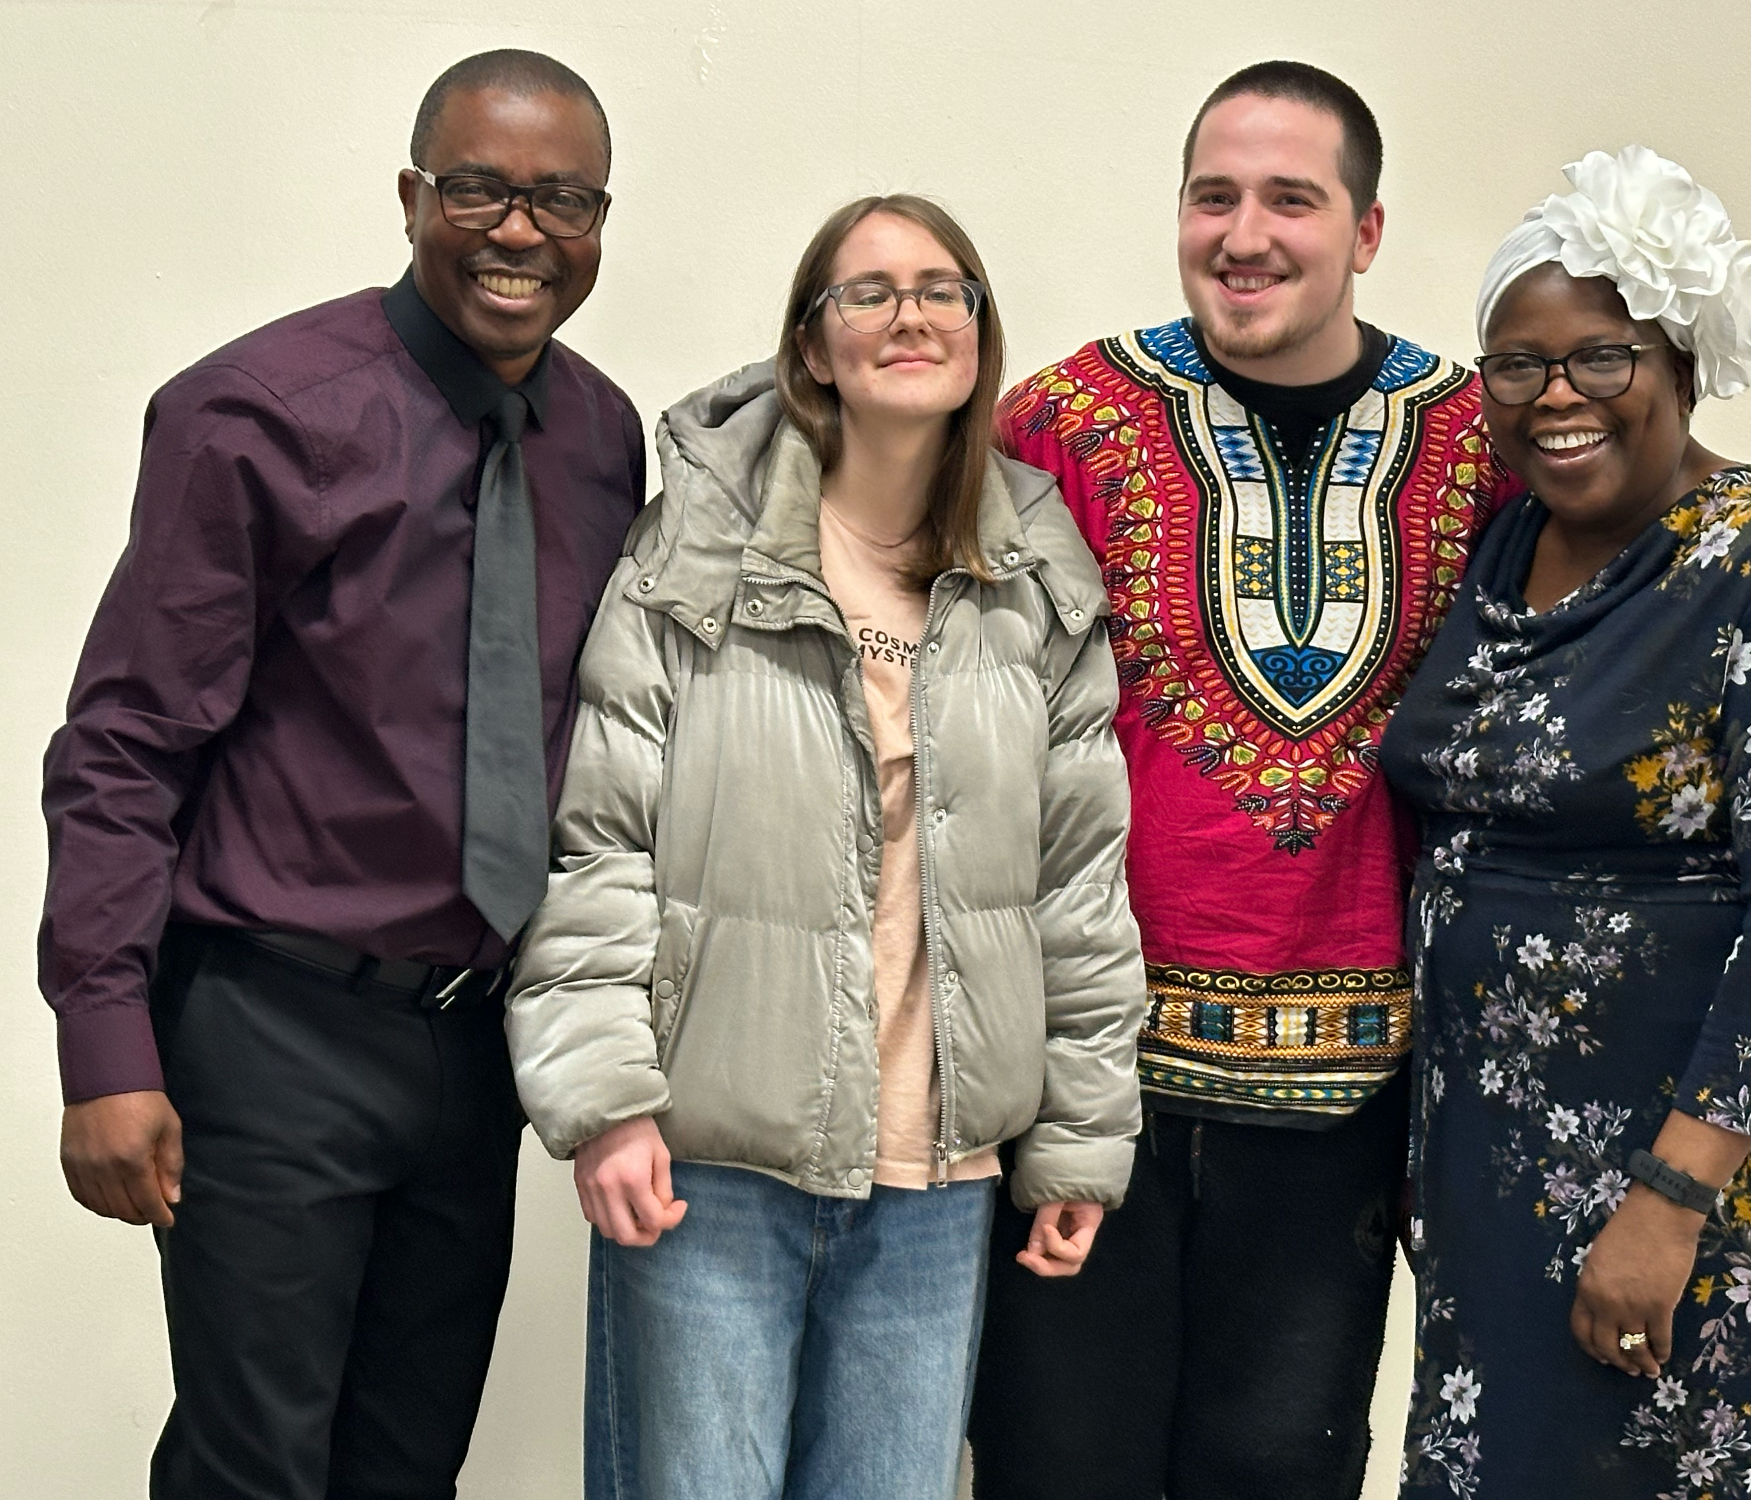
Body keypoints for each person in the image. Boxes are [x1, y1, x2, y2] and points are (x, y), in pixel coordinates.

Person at [40, 50, 644, 1500]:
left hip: (478, 1042)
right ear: (413, 197)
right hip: (272, 1029)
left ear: (599, 222)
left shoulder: (604, 439)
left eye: (561, 200)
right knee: (254, 1468)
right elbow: (124, 742)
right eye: (480, 190)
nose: (519, 232)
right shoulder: (258, 413)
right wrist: (105, 1046)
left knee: (406, 1464)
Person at [502, 192, 1145, 1500]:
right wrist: (605, 1103)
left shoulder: (1035, 576)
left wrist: (1081, 1136)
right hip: (709, 1166)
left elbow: (1077, 883)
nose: (910, 315)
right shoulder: (697, 550)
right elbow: (602, 842)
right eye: (869, 291)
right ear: (812, 344)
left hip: (937, 1182)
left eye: (943, 289)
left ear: (978, 332)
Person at [969, 61, 1511, 1499]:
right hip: (1082, 1081)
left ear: (1368, 231)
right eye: (1214, 197)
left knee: (1280, 1472)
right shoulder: (1066, 423)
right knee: (1054, 1468)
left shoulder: (1479, 447)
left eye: (1292, 200)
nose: (1246, 235)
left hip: (1343, 1102)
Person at [1379, 146, 1751, 1496]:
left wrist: (1669, 1203)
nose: (1557, 395)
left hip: (1678, 1160)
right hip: (1494, 1149)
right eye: (1517, 366)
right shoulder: (1502, 547)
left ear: (1682, 364)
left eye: (1601, 358)